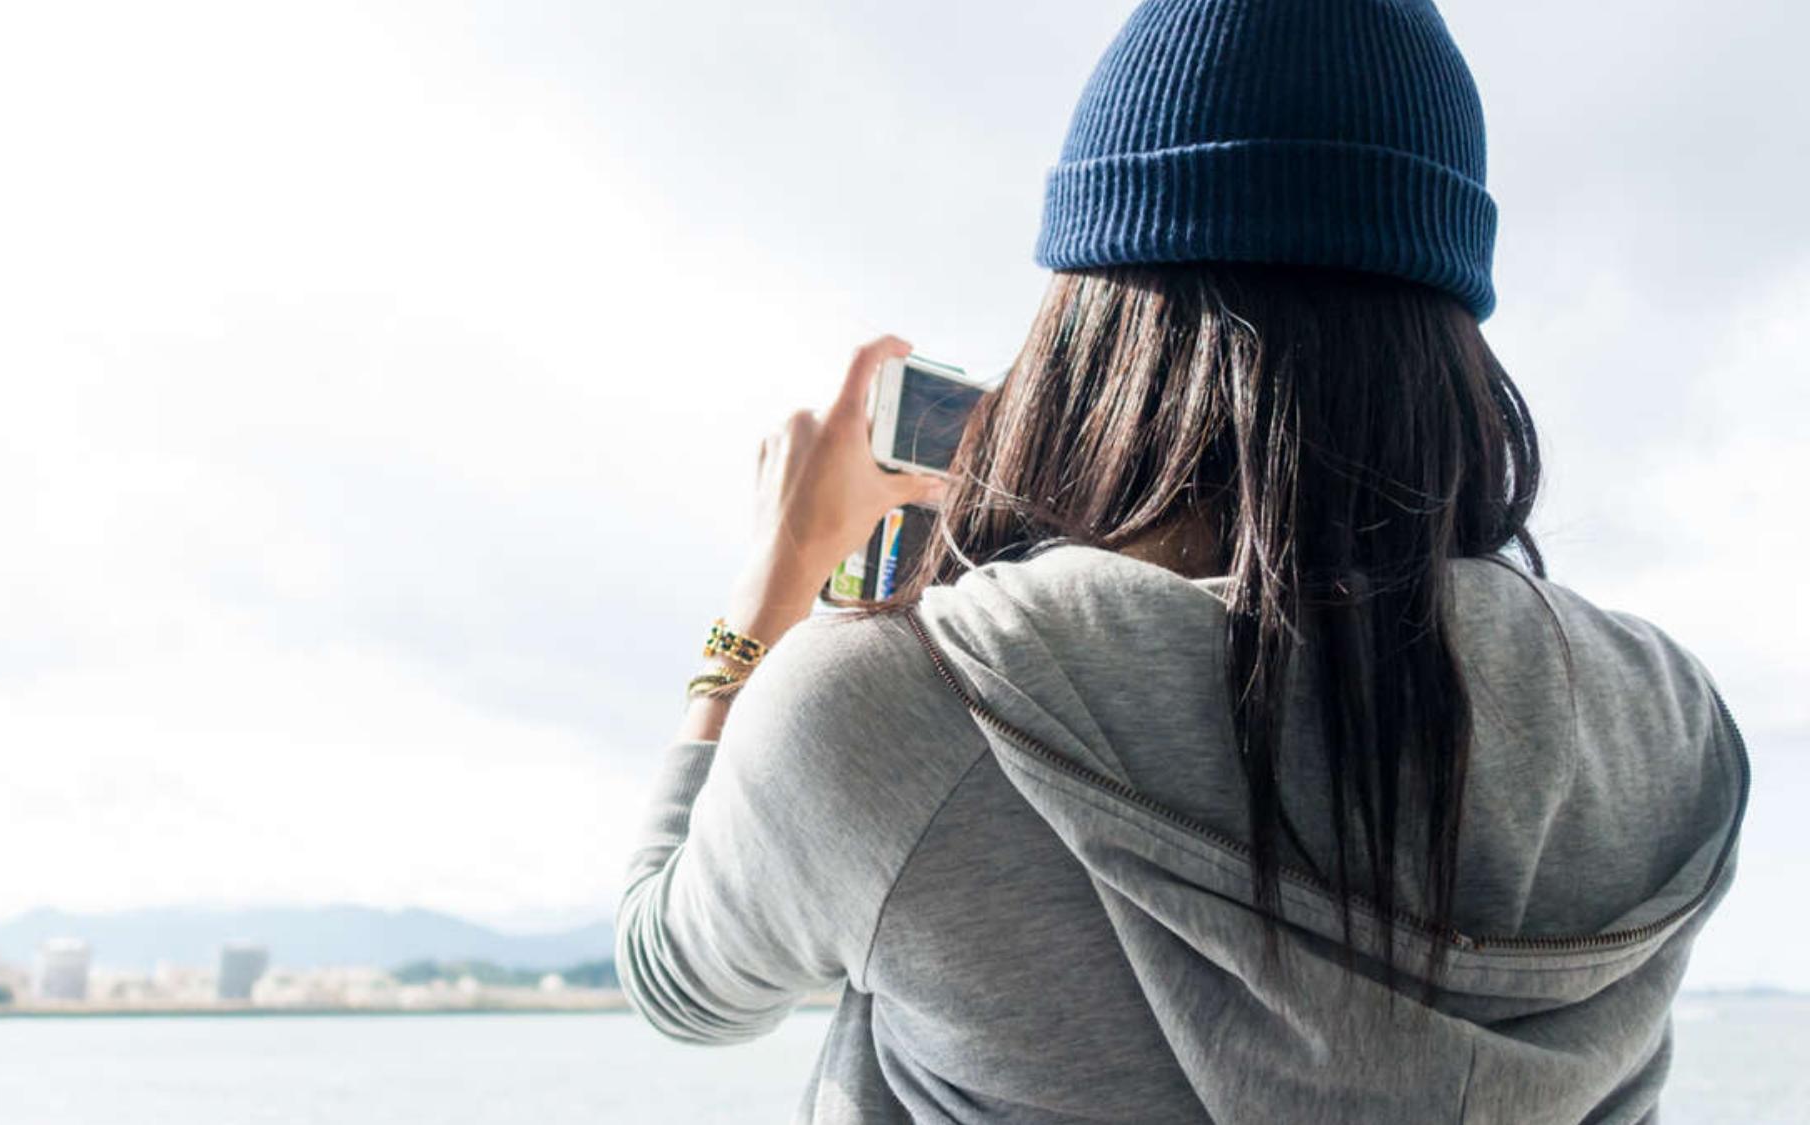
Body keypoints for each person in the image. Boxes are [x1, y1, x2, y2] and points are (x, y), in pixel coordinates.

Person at [614, 1, 1749, 1121]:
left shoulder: (905, 703)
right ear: (1446, 331)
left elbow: (675, 983)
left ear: (1086, 332)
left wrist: (761, 604)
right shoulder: (1665, 727)